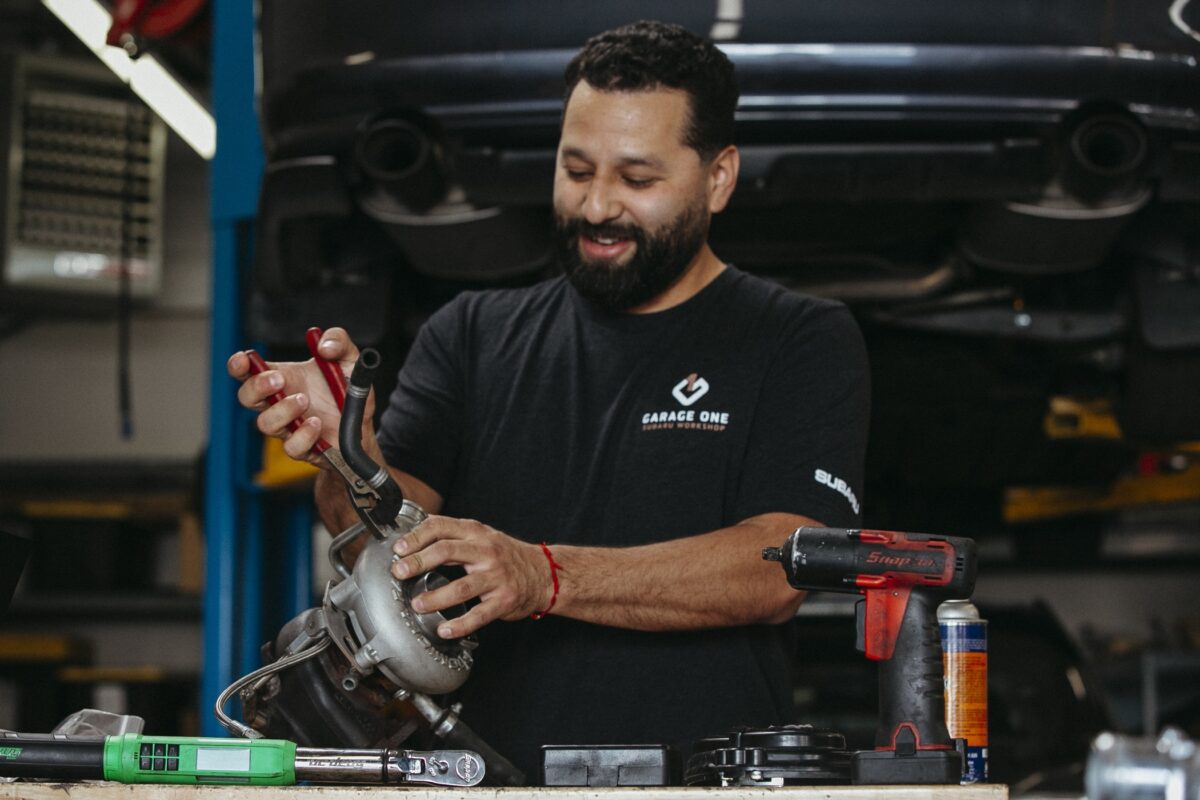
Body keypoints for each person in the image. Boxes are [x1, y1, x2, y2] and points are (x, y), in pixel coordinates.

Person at [229, 20, 870, 781]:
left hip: (704, 788)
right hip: (483, 783)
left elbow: (782, 569)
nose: (598, 206)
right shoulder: (469, 333)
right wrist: (350, 456)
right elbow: (384, 551)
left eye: (637, 180)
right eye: (576, 170)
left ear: (719, 176)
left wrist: (543, 575)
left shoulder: (798, 339)